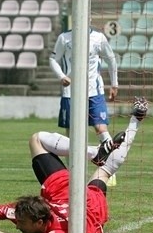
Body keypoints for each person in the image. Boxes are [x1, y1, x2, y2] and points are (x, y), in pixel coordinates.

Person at [0, 97, 149, 233]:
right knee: (102, 167)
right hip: (72, 199)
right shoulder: (26, 211)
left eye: (21, 223)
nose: (17, 225)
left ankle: (134, 121)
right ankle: (115, 137)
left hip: (86, 208)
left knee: (106, 169)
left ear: (40, 223)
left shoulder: (63, 232)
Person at [49, 28, 119, 183]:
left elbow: (111, 58)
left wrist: (114, 84)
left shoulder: (98, 38)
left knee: (100, 128)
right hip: (71, 92)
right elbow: (53, 59)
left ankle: (109, 169)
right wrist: (61, 76)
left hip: (94, 91)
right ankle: (72, 175)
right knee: (71, 134)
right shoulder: (64, 37)